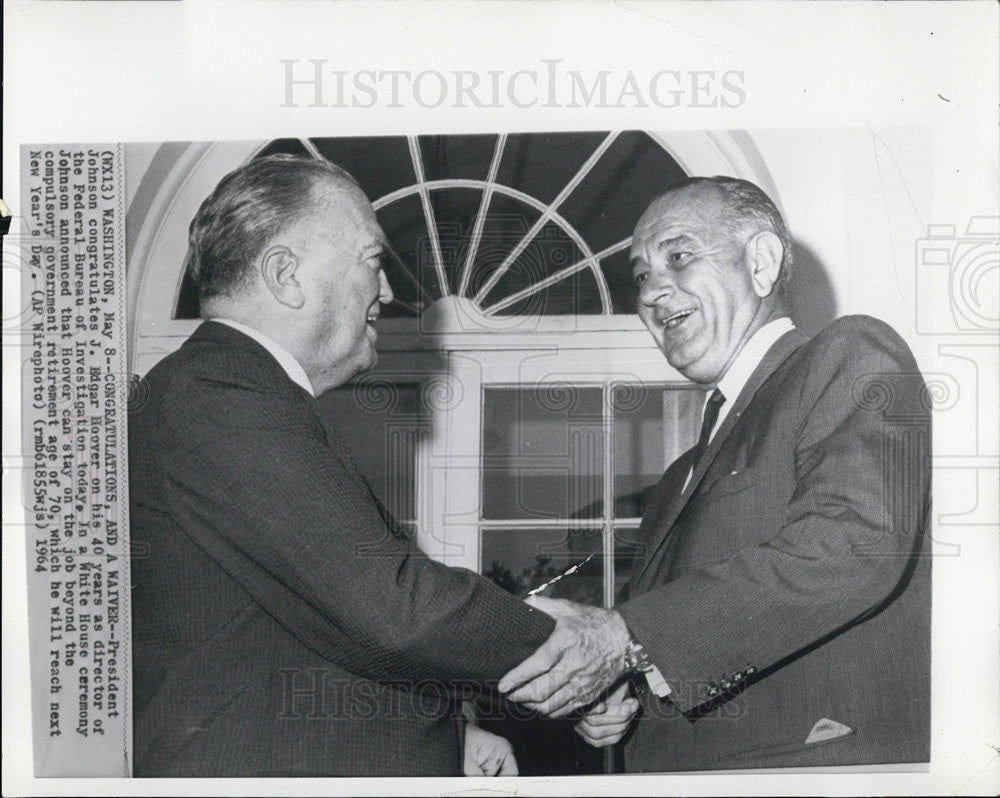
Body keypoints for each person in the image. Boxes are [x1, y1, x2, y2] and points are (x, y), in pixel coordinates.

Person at [128, 154, 554, 777]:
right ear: (285, 275)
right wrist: (566, 638)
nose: (388, 291)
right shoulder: (221, 395)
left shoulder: (233, 392)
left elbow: (299, 629)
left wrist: (450, 732)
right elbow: (393, 609)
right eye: (373, 261)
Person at [498, 176, 931, 771]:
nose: (652, 291)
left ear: (761, 261)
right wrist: (619, 692)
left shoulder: (849, 353)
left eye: (678, 256)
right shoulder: (679, 473)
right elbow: (665, 629)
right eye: (641, 274)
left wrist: (627, 639)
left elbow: (856, 543)